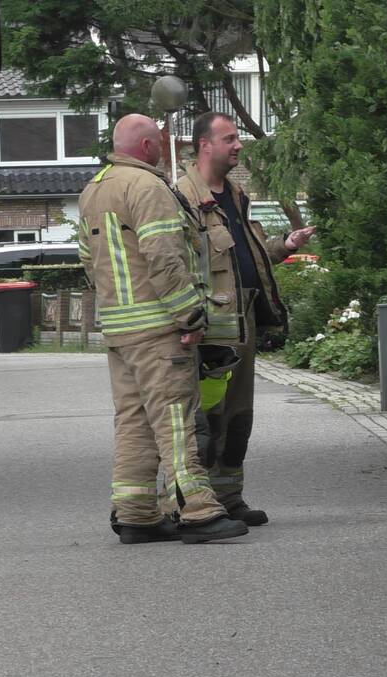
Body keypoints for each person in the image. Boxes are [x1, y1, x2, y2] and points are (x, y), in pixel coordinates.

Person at [77, 113, 248, 544]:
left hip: (119, 330)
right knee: (176, 417)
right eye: (158, 143)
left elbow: (86, 259)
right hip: (157, 329)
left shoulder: (93, 189)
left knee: (133, 420)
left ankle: (135, 514)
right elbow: (165, 258)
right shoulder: (148, 187)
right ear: (149, 147)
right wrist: (189, 316)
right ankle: (200, 511)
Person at [174, 111, 315, 525]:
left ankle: (230, 497)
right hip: (211, 329)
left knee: (239, 418)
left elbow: (241, 258)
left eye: (238, 138)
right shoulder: (183, 197)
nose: (238, 145)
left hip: (243, 323)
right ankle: (197, 503)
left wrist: (283, 246)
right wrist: (188, 319)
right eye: (230, 138)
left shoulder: (234, 195)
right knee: (208, 417)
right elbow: (177, 262)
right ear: (205, 145)